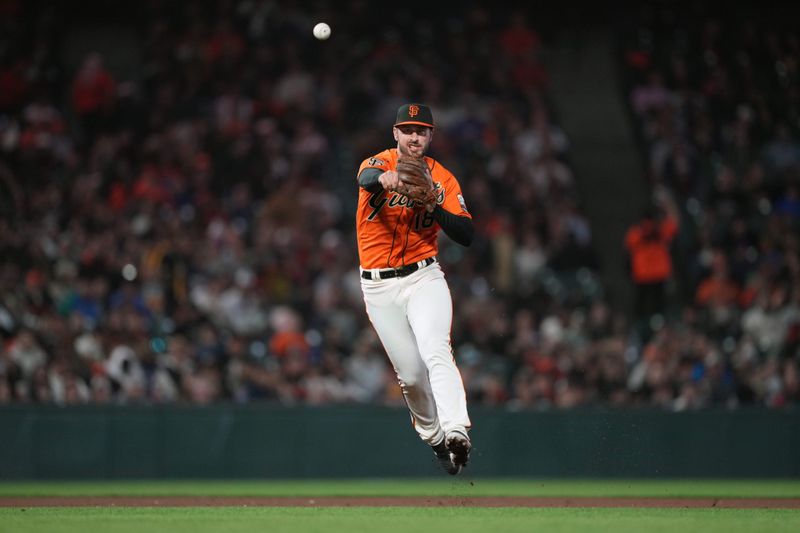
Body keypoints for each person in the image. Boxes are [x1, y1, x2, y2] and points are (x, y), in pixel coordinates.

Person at [355, 103, 474, 475]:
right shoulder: (377, 162)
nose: (414, 136)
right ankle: (435, 437)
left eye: (422, 130)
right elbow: (365, 179)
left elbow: (466, 234)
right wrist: (385, 180)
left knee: (436, 348)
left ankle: (457, 430)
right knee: (410, 375)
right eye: (407, 129)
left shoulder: (444, 179)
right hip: (378, 287)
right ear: (395, 134)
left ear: (431, 136)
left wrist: (434, 204)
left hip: (424, 276)